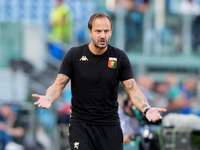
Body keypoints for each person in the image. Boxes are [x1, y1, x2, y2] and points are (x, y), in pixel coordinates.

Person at [32, 12, 166, 150]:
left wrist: (146, 109)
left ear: (111, 32)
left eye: (106, 31)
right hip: (81, 125)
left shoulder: (119, 57)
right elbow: (57, 86)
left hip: (109, 126)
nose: (103, 35)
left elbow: (133, 91)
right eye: (98, 31)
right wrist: (48, 98)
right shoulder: (74, 55)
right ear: (90, 32)